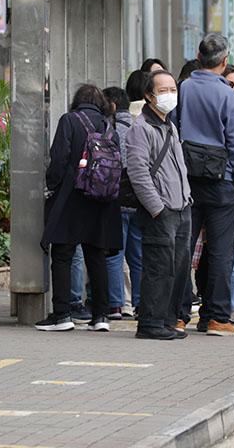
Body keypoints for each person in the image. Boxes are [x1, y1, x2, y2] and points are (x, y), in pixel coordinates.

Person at [174, 33, 234, 336]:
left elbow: (175, 129)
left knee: (183, 247)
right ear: (225, 60)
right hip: (223, 181)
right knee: (220, 251)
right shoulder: (228, 96)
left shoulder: (184, 88)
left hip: (188, 181)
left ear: (198, 55)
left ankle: (177, 315)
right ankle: (216, 316)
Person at [35, 84, 123, 333]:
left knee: (63, 254)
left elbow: (59, 157)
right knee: (96, 256)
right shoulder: (108, 127)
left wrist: (52, 186)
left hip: (72, 197)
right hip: (102, 200)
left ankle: (62, 315)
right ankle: (101, 316)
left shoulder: (69, 120)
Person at [124, 69, 192, 340]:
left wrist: (187, 200)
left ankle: (166, 321)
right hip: (161, 211)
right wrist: (157, 207)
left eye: (173, 89)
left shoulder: (170, 125)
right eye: (163, 90)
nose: (169, 95)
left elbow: (178, 167)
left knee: (177, 270)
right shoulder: (140, 128)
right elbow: (138, 173)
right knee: (158, 269)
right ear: (148, 96)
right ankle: (151, 324)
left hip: (182, 207)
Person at [103, 86, 142, 320]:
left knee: (114, 254)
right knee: (138, 256)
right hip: (138, 200)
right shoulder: (140, 127)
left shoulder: (109, 129)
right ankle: (139, 303)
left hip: (115, 201)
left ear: (113, 106)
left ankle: (116, 305)